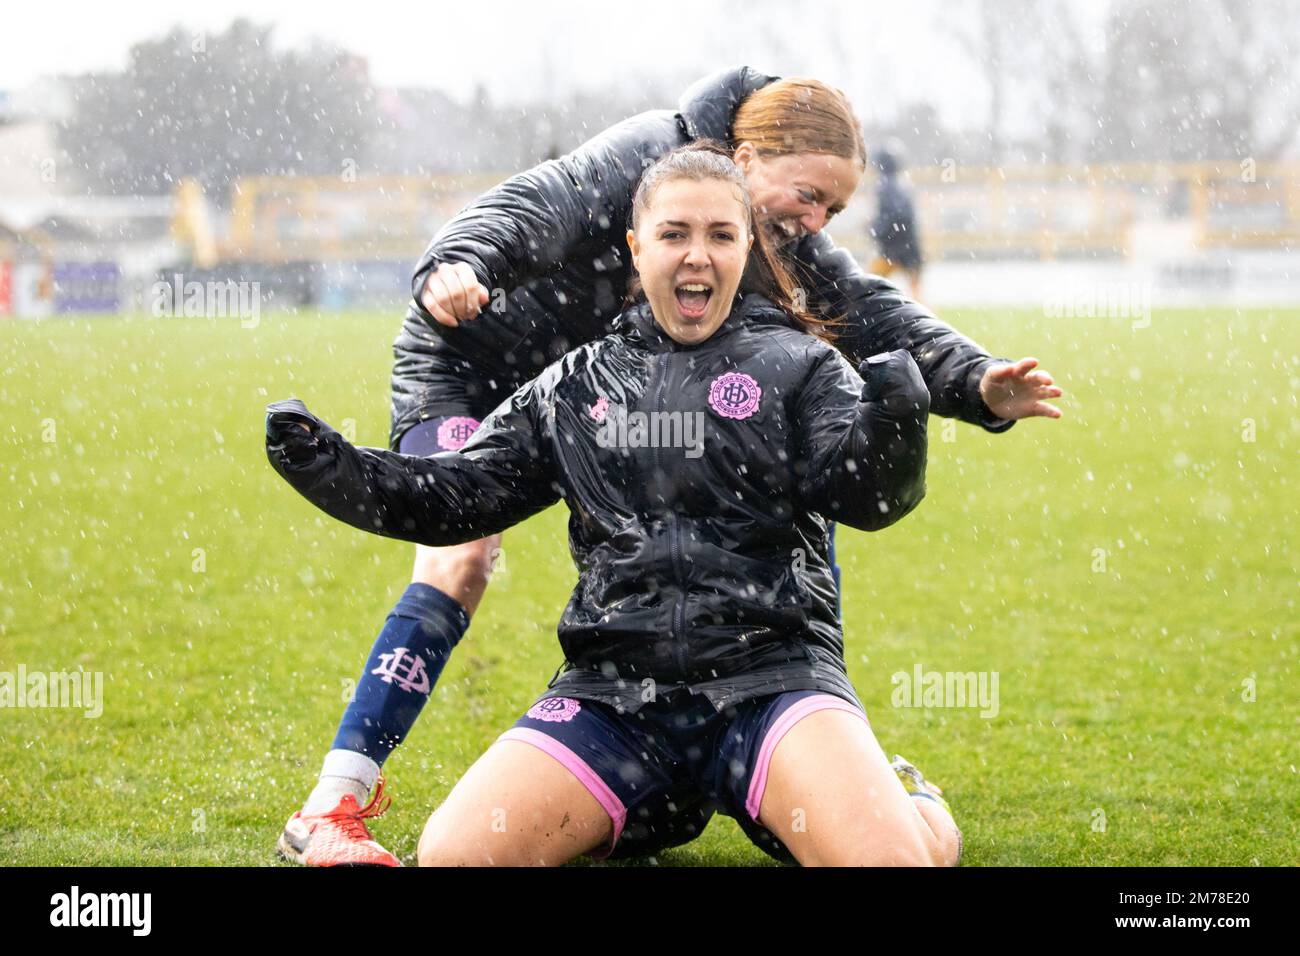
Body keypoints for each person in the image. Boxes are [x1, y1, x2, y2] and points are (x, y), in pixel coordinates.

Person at [278, 66, 1062, 866]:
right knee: (462, 555)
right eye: (811, 197)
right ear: (748, 157)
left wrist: (971, 379)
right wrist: (461, 263)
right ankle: (335, 802)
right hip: (479, 357)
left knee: (788, 509)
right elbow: (532, 204)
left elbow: (863, 306)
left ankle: (809, 736)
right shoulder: (649, 158)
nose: (817, 220)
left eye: (834, 209)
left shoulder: (762, 229)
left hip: (624, 371)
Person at [868, 139, 925, 299]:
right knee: (917, 294)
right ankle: (930, 322)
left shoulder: (885, 186)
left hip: (892, 248)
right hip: (910, 246)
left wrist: (875, 229)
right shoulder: (902, 183)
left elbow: (894, 215)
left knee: (868, 289)